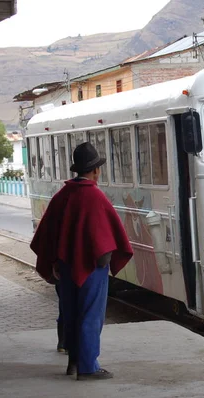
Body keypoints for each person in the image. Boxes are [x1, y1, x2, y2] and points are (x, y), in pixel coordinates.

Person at [30, 142, 133, 381]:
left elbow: (46, 233)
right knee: (90, 315)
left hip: (64, 268)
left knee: (71, 314)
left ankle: (73, 363)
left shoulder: (62, 195)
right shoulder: (95, 196)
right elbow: (105, 239)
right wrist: (105, 261)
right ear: (96, 170)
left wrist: (54, 261)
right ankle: (89, 367)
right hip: (91, 269)